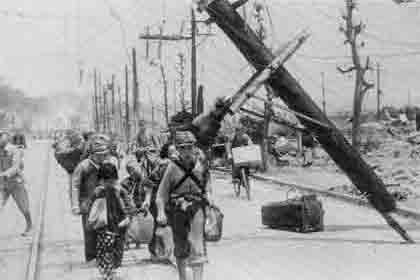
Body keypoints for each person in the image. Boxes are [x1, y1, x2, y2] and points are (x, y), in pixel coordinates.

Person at [156, 131, 213, 280]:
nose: (187, 151)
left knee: (197, 246)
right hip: (177, 209)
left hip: (196, 208)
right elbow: (161, 194)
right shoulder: (172, 168)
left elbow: (207, 188)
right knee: (180, 246)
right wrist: (161, 212)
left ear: (195, 147)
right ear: (177, 149)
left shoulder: (201, 166)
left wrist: (211, 207)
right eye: (183, 148)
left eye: (190, 147)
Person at [71, 136, 112, 264]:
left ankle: (105, 255)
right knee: (89, 230)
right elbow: (75, 186)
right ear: (92, 154)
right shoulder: (83, 166)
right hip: (87, 201)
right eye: (99, 155)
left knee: (106, 228)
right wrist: (75, 205)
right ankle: (91, 257)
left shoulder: (107, 164)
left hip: (105, 201)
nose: (102, 157)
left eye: (104, 154)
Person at [92, 163, 135, 280]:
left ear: (115, 179)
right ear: (100, 180)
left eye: (111, 181)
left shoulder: (121, 191)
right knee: (105, 251)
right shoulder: (99, 192)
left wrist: (128, 218)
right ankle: (108, 273)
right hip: (104, 227)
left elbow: (130, 206)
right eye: (105, 181)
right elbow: (94, 208)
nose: (108, 184)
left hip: (119, 226)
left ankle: (112, 270)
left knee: (117, 251)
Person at [142, 142, 178, 261]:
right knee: (160, 226)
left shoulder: (181, 165)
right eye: (171, 152)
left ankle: (167, 252)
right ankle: (155, 252)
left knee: (172, 226)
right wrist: (147, 200)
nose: (174, 154)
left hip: (174, 201)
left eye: (175, 151)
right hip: (159, 200)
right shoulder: (163, 166)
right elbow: (149, 183)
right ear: (166, 154)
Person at [0, 131, 32, 236]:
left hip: (16, 183)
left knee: (24, 207)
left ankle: (29, 225)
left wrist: (5, 174)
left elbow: (16, 166)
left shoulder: (14, 150)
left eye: (1, 137)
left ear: (6, 139)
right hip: (2, 185)